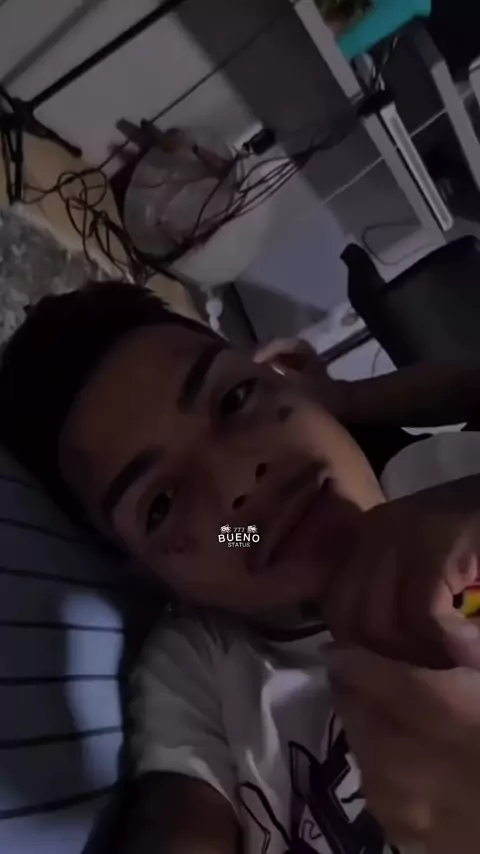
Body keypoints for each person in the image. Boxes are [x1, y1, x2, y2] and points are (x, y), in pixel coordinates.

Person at [1, 280, 480, 854]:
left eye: (233, 400)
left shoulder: (451, 477)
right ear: (147, 574)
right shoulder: (202, 668)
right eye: (162, 504)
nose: (239, 479)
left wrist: (352, 400)